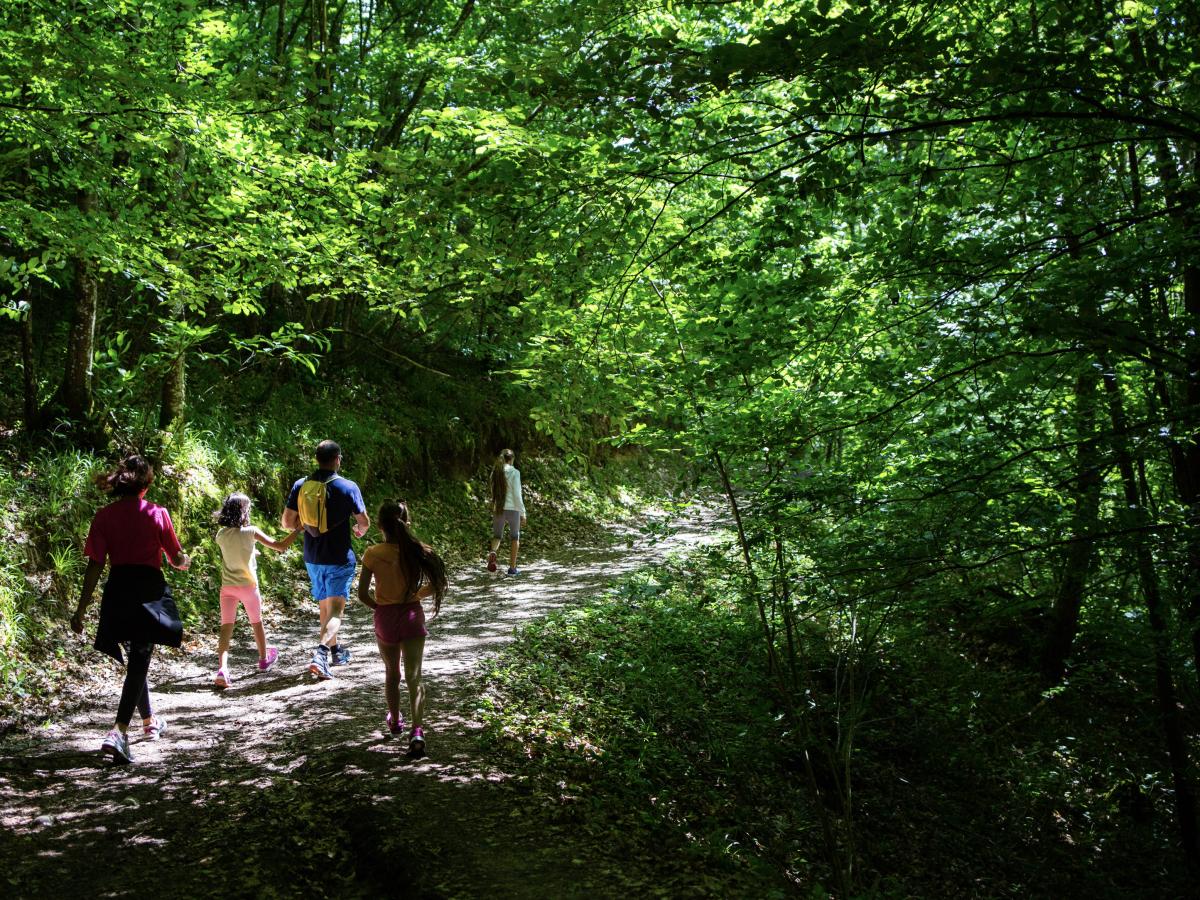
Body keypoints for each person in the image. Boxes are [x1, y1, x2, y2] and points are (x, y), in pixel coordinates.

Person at [69, 455, 191, 764]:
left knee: (138, 659)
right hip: (148, 592)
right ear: (147, 484)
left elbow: (95, 564)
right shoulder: (157, 514)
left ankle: (149, 722)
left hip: (118, 591)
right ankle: (118, 731)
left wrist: (82, 609)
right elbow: (176, 558)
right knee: (139, 658)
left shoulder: (104, 516)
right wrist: (184, 561)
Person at [357, 499, 447, 755]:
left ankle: (395, 719)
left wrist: (382, 608)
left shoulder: (372, 554)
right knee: (414, 677)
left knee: (392, 673)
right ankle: (417, 731)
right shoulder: (418, 550)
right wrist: (416, 595)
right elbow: (438, 582)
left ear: (379, 525)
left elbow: (363, 594)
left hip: (386, 617)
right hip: (411, 615)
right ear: (407, 523)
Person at [282, 440, 368, 680]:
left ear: (317, 459)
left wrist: (308, 526)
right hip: (339, 557)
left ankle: (335, 651)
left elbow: (287, 523)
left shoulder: (301, 485)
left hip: (312, 557)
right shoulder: (348, 487)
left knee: (325, 606)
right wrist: (360, 531)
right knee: (336, 611)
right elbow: (364, 522)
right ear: (337, 459)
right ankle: (320, 655)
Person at [212, 492, 300, 688]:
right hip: (248, 587)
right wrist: (298, 530)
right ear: (244, 512)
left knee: (226, 627)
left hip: (228, 588)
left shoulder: (221, 535)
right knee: (256, 622)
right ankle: (263, 658)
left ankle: (223, 669)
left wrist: (253, 553)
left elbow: (234, 552)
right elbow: (280, 546)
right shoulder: (251, 532)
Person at [486, 448, 526, 576]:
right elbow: (517, 494)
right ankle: (512, 569)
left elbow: (492, 491)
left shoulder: (495, 472)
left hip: (498, 508)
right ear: (512, 459)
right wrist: (522, 513)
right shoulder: (515, 472)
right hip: (513, 508)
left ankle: (493, 552)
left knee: (497, 536)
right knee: (515, 537)